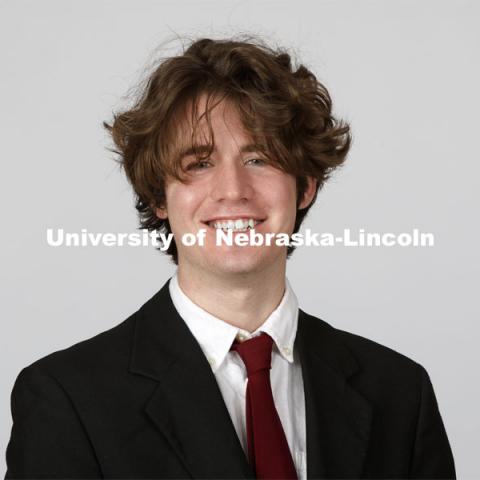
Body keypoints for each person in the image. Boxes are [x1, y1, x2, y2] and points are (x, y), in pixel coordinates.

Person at [5, 37, 455, 479]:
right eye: (199, 163)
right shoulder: (67, 399)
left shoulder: (399, 392)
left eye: (259, 158)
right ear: (158, 195)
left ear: (306, 185)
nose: (232, 190)